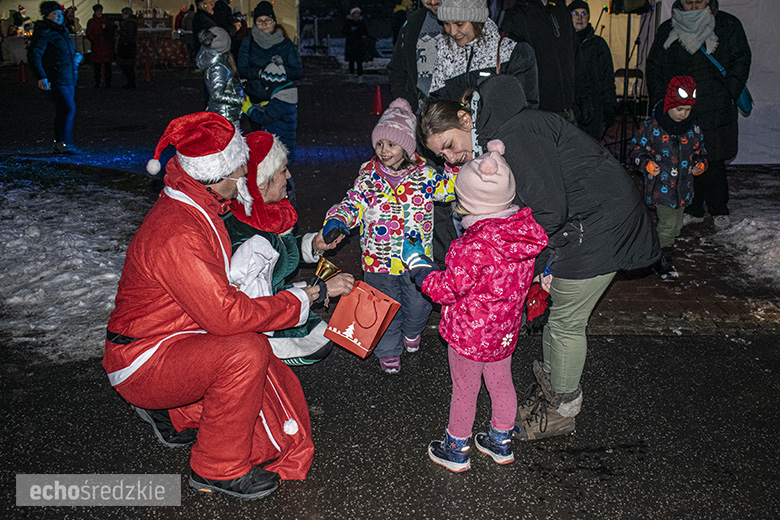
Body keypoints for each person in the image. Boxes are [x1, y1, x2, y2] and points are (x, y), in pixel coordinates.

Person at [104, 111, 348, 500]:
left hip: (167, 339)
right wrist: (302, 298)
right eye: (240, 172)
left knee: (246, 360)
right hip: (144, 356)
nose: (245, 181)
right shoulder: (180, 231)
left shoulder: (195, 205)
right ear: (223, 174)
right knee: (245, 352)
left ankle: (175, 412)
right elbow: (227, 315)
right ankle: (216, 469)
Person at [419, 74, 658, 440]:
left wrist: (508, 256)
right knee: (559, 313)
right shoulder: (501, 131)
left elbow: (547, 212)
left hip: (599, 227)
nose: (451, 158)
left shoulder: (516, 135)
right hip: (581, 225)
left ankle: (562, 407)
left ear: (466, 120)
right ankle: (552, 388)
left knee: (565, 321)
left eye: (450, 145)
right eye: (442, 155)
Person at [401, 139, 547, 472]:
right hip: (504, 332)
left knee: (465, 389)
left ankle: (456, 448)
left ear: (470, 202)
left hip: (469, 335)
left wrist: (420, 268)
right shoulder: (523, 238)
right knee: (501, 382)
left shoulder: (471, 247)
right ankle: (500, 441)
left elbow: (447, 290)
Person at [322, 98, 456, 374]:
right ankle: (388, 350)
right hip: (378, 260)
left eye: (392, 145)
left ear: (406, 147)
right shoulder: (368, 177)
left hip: (415, 260)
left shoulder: (425, 176)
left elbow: (452, 190)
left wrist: (454, 164)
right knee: (382, 308)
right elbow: (353, 203)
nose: (384, 151)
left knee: (419, 305)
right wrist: (337, 219)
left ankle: (412, 330)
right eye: (380, 144)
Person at [222, 131, 354, 365]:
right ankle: (262, 360)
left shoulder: (261, 215)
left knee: (321, 335)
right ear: (262, 184)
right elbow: (252, 309)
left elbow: (280, 251)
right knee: (320, 343)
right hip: (259, 321)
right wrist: (321, 291)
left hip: (273, 297)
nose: (289, 176)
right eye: (283, 171)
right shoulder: (251, 242)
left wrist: (314, 244)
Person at [646, 0, 751, 230]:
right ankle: (693, 208)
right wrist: (662, 100)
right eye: (689, 2)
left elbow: (741, 60)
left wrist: (728, 93)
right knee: (686, 159)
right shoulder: (668, 29)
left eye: (699, 1)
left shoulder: (727, 25)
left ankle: (719, 208)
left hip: (716, 105)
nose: (694, 7)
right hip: (681, 107)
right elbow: (655, 66)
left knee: (713, 159)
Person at [629, 76, 707, 280]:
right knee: (668, 225)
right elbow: (636, 149)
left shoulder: (693, 129)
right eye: (679, 109)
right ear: (668, 105)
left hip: (683, 188)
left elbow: (701, 152)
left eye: (687, 110)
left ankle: (659, 248)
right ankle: (663, 260)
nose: (683, 115)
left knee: (677, 225)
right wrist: (646, 163)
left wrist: (700, 164)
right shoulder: (652, 127)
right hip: (661, 187)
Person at [429, 0, 539, 109]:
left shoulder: (512, 51)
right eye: (446, 23)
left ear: (477, 21)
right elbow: (436, 101)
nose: (452, 32)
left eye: (459, 24)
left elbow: (524, 106)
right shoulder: (445, 49)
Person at [501, 0, 592, 126]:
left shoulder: (561, 12)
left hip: (568, 111)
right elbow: (510, 71)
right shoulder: (519, 15)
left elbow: (576, 60)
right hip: (538, 114)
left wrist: (584, 98)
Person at [28, 1, 83, 154]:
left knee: (64, 109)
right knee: (68, 108)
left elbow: (66, 51)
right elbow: (35, 54)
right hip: (56, 76)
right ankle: (63, 142)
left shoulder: (62, 30)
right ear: (47, 15)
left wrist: (75, 57)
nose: (58, 17)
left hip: (68, 75)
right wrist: (41, 76)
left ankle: (62, 142)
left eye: (59, 14)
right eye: (54, 14)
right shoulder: (45, 31)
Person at [238, 1, 302, 132]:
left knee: (278, 139)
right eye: (259, 21)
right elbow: (242, 69)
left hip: (279, 100)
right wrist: (260, 73)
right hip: (255, 97)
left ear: (274, 21)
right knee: (259, 139)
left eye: (267, 20)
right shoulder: (248, 42)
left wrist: (278, 73)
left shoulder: (285, 43)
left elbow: (297, 71)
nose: (264, 24)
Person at [568, 0, 616, 140]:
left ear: (588, 17)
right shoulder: (563, 44)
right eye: (575, 14)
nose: (579, 17)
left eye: (583, 13)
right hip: (571, 106)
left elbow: (607, 76)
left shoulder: (599, 45)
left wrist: (609, 105)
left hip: (594, 106)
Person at [388, 0, 442, 113]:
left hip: (455, 118)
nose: (432, 2)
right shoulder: (413, 22)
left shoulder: (467, 24)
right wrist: (403, 101)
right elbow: (397, 68)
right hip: (418, 114)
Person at [196, 26, 243, 125]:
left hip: (226, 113)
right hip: (224, 115)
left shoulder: (222, 62)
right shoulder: (218, 67)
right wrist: (240, 99)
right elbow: (217, 95)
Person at [85, 4, 115, 88]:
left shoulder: (106, 20)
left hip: (104, 45)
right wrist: (94, 41)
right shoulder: (92, 22)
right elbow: (89, 34)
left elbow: (111, 31)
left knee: (107, 66)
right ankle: (98, 82)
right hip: (98, 46)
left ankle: (107, 83)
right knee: (98, 66)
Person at [342, 7, 368, 77]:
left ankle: (360, 75)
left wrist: (359, 30)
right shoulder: (348, 22)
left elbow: (365, 32)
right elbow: (344, 32)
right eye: (356, 13)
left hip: (359, 43)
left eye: (358, 13)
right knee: (351, 60)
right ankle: (351, 74)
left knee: (359, 60)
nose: (357, 15)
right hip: (351, 42)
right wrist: (350, 31)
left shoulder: (361, 22)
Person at [116, 7, 138, 90]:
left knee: (127, 65)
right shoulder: (131, 23)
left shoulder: (129, 23)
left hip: (127, 46)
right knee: (128, 65)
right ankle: (131, 83)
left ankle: (131, 83)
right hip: (128, 45)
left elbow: (128, 35)